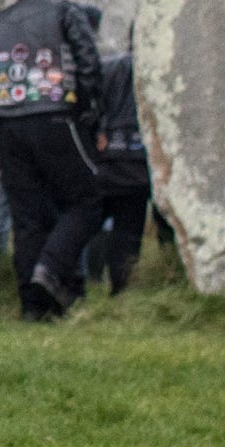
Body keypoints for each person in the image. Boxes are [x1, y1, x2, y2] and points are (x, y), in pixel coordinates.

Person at [0, 0, 105, 320]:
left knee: (27, 217)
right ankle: (51, 271)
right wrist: (89, 111)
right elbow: (89, 63)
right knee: (89, 199)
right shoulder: (65, 12)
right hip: (54, 112)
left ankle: (33, 308)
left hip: (6, 121)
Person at [86, 29, 153, 296]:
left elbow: (90, 101)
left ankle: (84, 277)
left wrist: (98, 132)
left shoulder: (107, 67)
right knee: (128, 230)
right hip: (137, 165)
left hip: (104, 160)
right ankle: (121, 290)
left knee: (88, 222)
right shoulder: (156, 74)